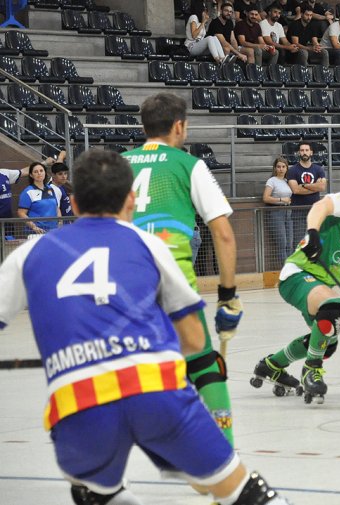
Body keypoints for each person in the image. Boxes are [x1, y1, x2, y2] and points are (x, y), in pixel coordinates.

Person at [0, 149, 290, 505]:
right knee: (244, 492)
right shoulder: (149, 244)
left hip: (78, 404)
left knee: (95, 489)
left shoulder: (29, 255)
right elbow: (194, 338)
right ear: (131, 200)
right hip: (156, 391)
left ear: (72, 204)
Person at [123, 93, 242, 445]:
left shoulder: (118, 164)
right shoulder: (189, 164)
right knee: (206, 366)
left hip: (125, 283)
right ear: (179, 126)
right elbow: (223, 234)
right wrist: (227, 296)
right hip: (171, 279)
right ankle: (225, 460)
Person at [250, 170, 340, 402]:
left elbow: (335, 255)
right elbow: (321, 206)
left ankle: (271, 365)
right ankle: (311, 369)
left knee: (327, 341)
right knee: (333, 305)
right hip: (299, 273)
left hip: (315, 279)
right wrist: (312, 233)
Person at [286, 141, 326, 241]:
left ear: (311, 152)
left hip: (314, 209)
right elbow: (295, 190)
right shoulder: (292, 170)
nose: (304, 152)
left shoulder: (318, 169)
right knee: (299, 241)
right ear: (299, 153)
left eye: (307, 150)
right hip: (298, 211)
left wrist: (304, 185)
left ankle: (313, 257)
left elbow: (322, 187)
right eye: (302, 150)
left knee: (314, 240)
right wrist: (315, 186)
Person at [263, 157, 294, 267]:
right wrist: (281, 200)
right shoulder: (272, 181)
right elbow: (266, 198)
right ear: (275, 168)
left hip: (288, 212)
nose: (281, 169)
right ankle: (286, 271)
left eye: (283, 167)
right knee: (282, 243)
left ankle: (290, 269)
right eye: (278, 167)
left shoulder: (287, 181)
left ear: (286, 168)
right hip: (277, 213)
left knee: (290, 244)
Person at [17, 161, 58, 235]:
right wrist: (34, 227)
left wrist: (60, 223)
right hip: (36, 233)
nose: (39, 173)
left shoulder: (50, 189)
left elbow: (57, 208)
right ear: (31, 175)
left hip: (53, 232)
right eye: (36, 172)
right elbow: (21, 213)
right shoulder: (28, 192)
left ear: (45, 173)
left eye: (41, 171)